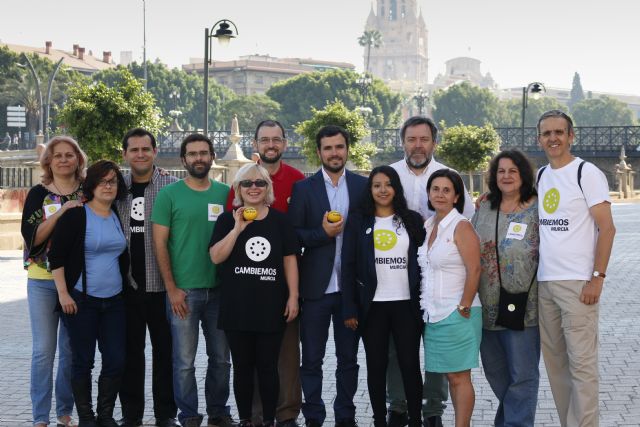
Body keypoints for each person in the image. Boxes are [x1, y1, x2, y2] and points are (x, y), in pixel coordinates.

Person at [388, 116, 474, 427]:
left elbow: (467, 227)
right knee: (398, 347)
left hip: (442, 279)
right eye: (412, 139)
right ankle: (397, 405)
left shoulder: (448, 177)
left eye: (424, 139)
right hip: (397, 276)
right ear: (403, 142)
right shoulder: (390, 176)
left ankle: (433, 409)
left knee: (437, 348)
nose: (418, 145)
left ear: (434, 143)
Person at [536, 110, 615, 426]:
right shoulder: (541, 175)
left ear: (571, 136)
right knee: (556, 367)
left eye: (559, 132)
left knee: (582, 366)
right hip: (545, 284)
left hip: (578, 285)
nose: (552, 138)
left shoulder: (587, 172)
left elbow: (607, 228)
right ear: (539, 138)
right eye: (546, 133)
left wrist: (597, 278)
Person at [225, 120, 305, 427]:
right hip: (245, 292)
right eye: (264, 140)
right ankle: (254, 416)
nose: (270, 145)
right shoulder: (242, 178)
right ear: (255, 144)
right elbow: (226, 233)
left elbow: (295, 242)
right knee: (247, 362)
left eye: (276, 139)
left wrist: (293, 294)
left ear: (284, 143)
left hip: (280, 289)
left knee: (283, 358)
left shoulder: (298, 180)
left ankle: (284, 415)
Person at [151, 134, 233, 427]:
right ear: (183, 159)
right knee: (184, 362)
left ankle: (219, 411)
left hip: (221, 291)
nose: (199, 158)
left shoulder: (227, 193)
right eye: (193, 154)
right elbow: (159, 244)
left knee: (221, 360)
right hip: (183, 292)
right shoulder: (169, 195)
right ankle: (188, 414)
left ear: (212, 157)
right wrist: (171, 289)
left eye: (204, 153)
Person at [288, 125, 367, 427]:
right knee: (311, 361)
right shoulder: (304, 189)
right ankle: (314, 417)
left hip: (351, 291)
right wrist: (321, 234)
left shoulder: (363, 186)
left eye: (339, 147)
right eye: (328, 148)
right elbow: (294, 237)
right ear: (319, 152)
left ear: (347, 149)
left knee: (348, 360)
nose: (334, 153)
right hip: (316, 290)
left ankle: (345, 416)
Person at [211, 163, 300, 427]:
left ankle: (270, 419)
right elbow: (216, 256)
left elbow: (289, 260)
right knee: (242, 367)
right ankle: (247, 419)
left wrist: (293, 296)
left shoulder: (280, 220)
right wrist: (238, 228)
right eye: (246, 183)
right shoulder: (227, 219)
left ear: (267, 188)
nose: (253, 188)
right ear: (237, 189)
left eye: (259, 183)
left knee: (268, 367)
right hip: (237, 307)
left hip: (270, 306)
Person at [341, 166, 425, 427]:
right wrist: (349, 308)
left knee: (409, 364)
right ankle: (379, 419)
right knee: (376, 366)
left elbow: (424, 263)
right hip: (372, 307)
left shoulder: (412, 219)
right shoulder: (358, 220)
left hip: (406, 305)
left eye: (388, 184)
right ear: (370, 190)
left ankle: (415, 419)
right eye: (377, 185)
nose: (383, 189)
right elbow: (348, 265)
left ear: (396, 188)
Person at [48, 160, 130, 427]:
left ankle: (105, 414)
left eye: (113, 181)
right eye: (103, 181)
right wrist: (63, 294)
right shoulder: (77, 215)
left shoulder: (117, 214)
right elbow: (56, 257)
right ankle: (86, 417)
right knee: (83, 361)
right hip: (82, 301)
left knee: (116, 360)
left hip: (115, 301)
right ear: (92, 185)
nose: (108, 186)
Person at [21, 136, 87, 427]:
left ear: (78, 159)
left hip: (77, 281)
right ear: (48, 161)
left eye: (69, 155)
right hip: (42, 280)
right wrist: (61, 212)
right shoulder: (38, 193)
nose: (63, 160)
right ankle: (39, 417)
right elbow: (31, 237)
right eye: (57, 155)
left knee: (70, 351)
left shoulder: (88, 192)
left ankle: (64, 412)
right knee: (43, 351)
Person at [471, 149, 540, 427]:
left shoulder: (539, 208)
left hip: (525, 307)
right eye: (501, 171)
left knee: (522, 376)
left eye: (513, 170)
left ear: (523, 174)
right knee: (497, 374)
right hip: (486, 306)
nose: (507, 176)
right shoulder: (485, 207)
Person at [116, 128, 179, 427]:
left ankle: (166, 414)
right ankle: (131, 415)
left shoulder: (170, 185)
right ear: (125, 154)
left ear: (154, 152)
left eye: (145, 149)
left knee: (165, 353)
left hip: (162, 287)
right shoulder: (115, 187)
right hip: (126, 287)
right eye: (134, 149)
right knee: (130, 354)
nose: (140, 154)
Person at [418, 169, 481, 427]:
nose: (440, 195)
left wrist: (464, 305)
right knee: (451, 377)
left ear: (456, 196)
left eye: (447, 190)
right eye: (435, 189)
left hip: (457, 313)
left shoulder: (461, 226)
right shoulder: (429, 225)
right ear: (429, 194)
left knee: (459, 377)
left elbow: (475, 269)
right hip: (434, 314)